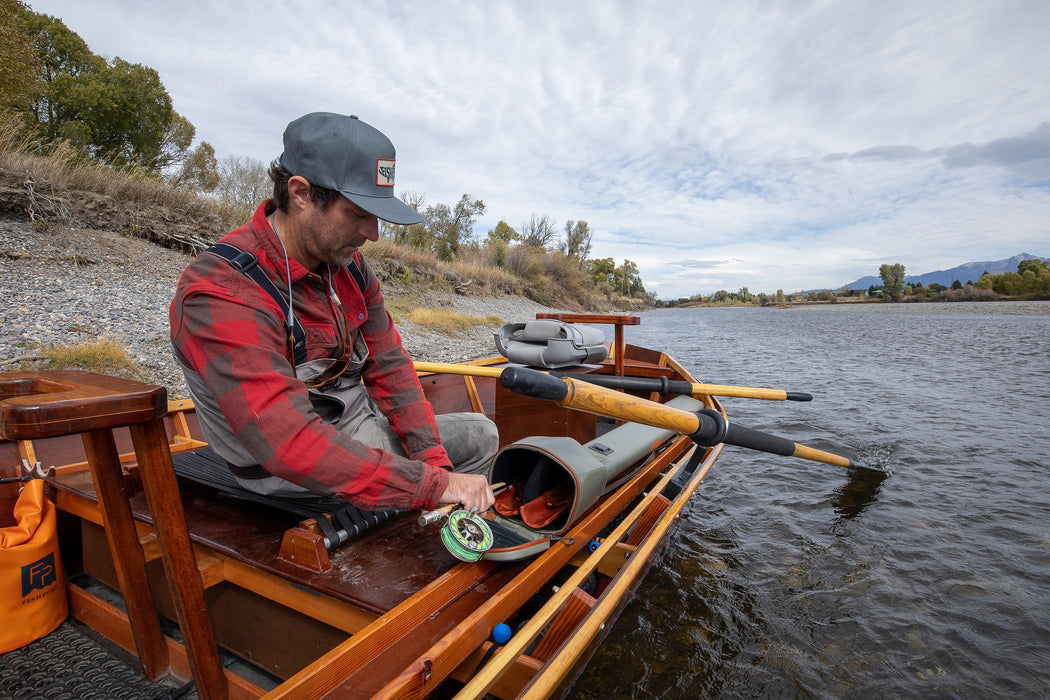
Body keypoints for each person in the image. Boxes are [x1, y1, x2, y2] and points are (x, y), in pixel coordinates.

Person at [170, 112, 497, 514]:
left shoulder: (350, 266)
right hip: (282, 467)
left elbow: (391, 367)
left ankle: (427, 532)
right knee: (466, 455)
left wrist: (435, 463)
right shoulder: (223, 290)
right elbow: (289, 445)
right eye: (359, 213)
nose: (373, 233)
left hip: (357, 431)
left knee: (480, 435)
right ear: (301, 193)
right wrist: (433, 485)